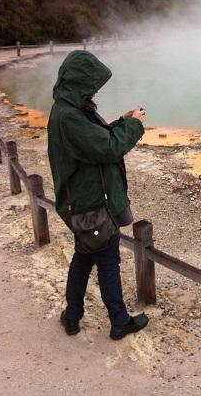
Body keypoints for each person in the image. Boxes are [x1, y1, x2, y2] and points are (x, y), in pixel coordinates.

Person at [47, 50, 149, 340]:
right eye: (91, 85)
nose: (94, 90)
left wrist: (121, 121)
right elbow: (107, 149)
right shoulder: (70, 117)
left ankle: (72, 316)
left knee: (83, 258)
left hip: (83, 200)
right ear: (80, 82)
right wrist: (134, 125)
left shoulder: (68, 109)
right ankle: (119, 322)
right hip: (92, 203)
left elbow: (96, 141)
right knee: (107, 261)